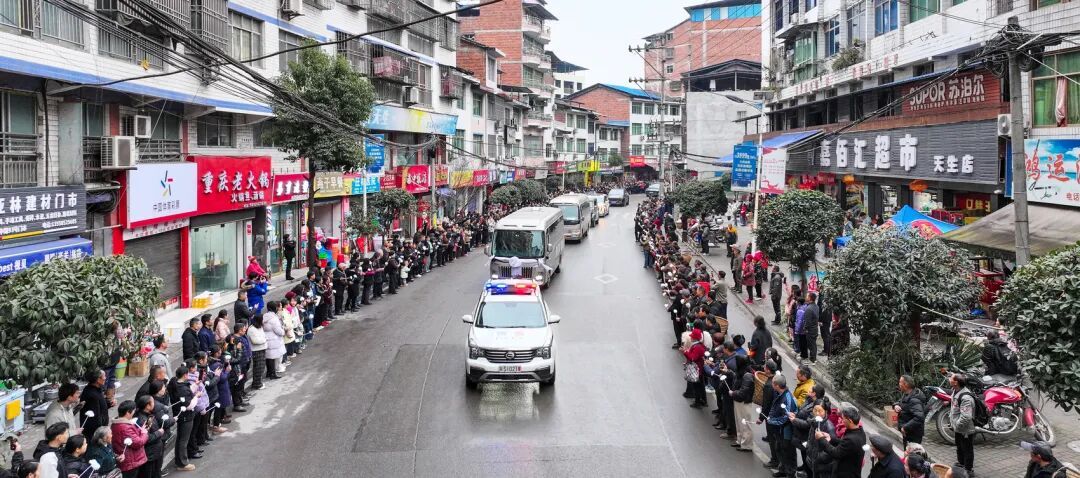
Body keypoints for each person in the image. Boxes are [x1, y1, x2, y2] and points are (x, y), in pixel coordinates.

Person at [817, 404, 867, 478]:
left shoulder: (851, 438)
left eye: (843, 419)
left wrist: (821, 439)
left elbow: (836, 453)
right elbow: (845, 444)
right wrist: (830, 438)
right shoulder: (859, 431)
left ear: (850, 420)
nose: (842, 421)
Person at [766, 372, 798, 478]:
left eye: (773, 383)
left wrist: (772, 421)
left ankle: (790, 473)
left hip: (786, 430)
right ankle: (783, 469)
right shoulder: (780, 394)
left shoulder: (787, 398)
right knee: (779, 448)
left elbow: (786, 417)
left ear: (777, 385)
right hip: (779, 430)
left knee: (788, 451)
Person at [168, 366, 198, 472]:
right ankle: (183, 463)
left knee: (181, 438)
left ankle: (179, 460)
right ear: (185, 375)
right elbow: (189, 405)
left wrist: (194, 386)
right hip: (186, 416)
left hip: (181, 415)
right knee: (183, 440)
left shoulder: (176, 384)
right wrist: (196, 397)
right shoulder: (182, 389)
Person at [110, 400, 148, 478]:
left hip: (128, 461)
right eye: (133, 411)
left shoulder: (116, 424)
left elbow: (132, 437)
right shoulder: (124, 427)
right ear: (128, 412)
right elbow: (138, 443)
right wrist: (144, 433)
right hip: (130, 462)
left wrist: (140, 430)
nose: (134, 413)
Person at [949, 373, 976, 476]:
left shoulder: (965, 397)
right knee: (959, 447)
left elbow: (966, 417)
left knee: (967, 449)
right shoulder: (956, 391)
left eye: (951, 378)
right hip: (959, 428)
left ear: (956, 382)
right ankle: (961, 464)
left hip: (965, 430)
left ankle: (968, 470)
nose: (949, 379)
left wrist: (957, 426)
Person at [135, 394, 167, 478]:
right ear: (147, 406)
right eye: (152, 402)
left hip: (154, 452)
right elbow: (146, 437)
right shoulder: (143, 420)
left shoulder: (149, 414)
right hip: (150, 454)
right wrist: (159, 433)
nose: (154, 404)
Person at [895, 375, 926, 446]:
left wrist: (905, 428)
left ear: (905, 384)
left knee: (911, 456)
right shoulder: (908, 394)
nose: (899, 384)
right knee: (907, 455)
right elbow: (900, 402)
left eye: (900, 382)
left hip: (913, 434)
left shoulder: (914, 399)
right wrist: (896, 405)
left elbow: (919, 417)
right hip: (908, 432)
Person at [80, 370, 110, 441]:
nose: (105, 378)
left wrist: (108, 404)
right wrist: (102, 433)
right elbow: (95, 417)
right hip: (94, 432)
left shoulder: (96, 389)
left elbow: (100, 406)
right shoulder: (92, 395)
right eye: (104, 376)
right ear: (98, 380)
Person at [682, 328, 708, 408]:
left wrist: (685, 352)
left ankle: (698, 403)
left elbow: (692, 358)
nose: (691, 337)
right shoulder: (699, 345)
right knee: (701, 386)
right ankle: (703, 401)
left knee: (697, 387)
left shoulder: (697, 347)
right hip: (699, 369)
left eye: (692, 336)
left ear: (695, 338)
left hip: (697, 370)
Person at [263, 304, 286, 380]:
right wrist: (283, 331)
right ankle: (273, 374)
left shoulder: (264, 317)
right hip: (274, 339)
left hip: (266, 338)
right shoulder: (274, 318)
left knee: (268, 357)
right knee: (272, 357)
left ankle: (269, 373)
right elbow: (278, 330)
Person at [247, 313, 268, 389]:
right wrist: (265, 340)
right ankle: (257, 384)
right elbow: (255, 341)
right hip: (256, 351)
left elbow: (263, 336)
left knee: (261, 367)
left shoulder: (259, 327)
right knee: (259, 368)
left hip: (262, 349)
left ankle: (257, 382)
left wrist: (264, 339)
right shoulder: (251, 329)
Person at [802, 292, 820, 363]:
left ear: (810, 298)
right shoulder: (816, 306)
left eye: (807, 296)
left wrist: (805, 328)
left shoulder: (809, 309)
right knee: (813, 344)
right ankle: (813, 358)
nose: (806, 297)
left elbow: (807, 321)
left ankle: (812, 359)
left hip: (810, 330)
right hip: (814, 328)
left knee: (811, 345)